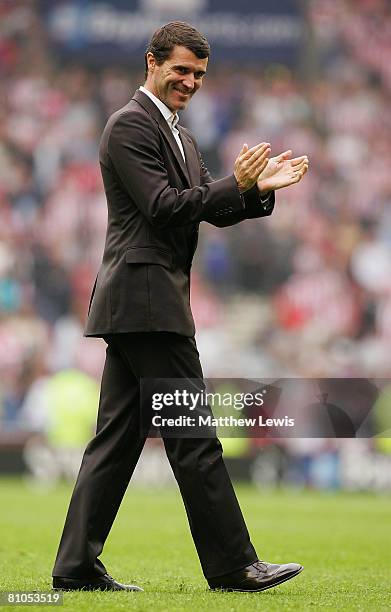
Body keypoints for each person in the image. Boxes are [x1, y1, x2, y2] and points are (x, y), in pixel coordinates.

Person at [52, 21, 309, 593]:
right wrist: (235, 186)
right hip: (146, 300)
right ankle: (233, 565)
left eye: (199, 74)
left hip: (142, 302)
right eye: (182, 70)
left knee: (117, 441)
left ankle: (74, 566)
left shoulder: (181, 137)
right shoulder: (128, 126)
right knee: (192, 434)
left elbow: (209, 209)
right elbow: (165, 208)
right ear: (152, 61)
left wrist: (255, 188)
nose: (190, 82)